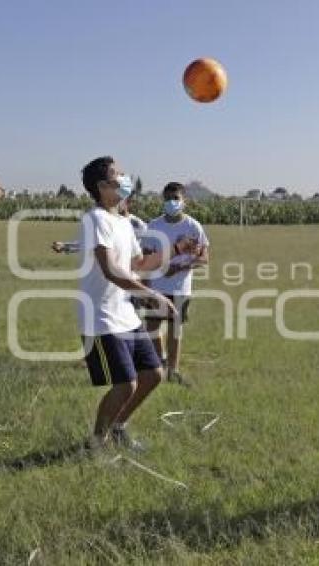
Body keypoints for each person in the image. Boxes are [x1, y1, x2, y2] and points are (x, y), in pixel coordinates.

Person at [77, 156, 186, 453]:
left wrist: (175, 249)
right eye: (118, 174)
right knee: (126, 384)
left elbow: (138, 263)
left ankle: (118, 426)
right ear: (102, 185)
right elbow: (111, 269)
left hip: (125, 315)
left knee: (153, 375)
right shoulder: (96, 219)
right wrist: (153, 296)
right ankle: (96, 443)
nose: (125, 178)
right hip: (102, 318)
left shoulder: (123, 221)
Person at [142, 182, 210, 386]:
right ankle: (160, 364)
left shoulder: (193, 227)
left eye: (176, 198)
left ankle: (174, 370)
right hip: (156, 287)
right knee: (153, 327)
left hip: (181, 288)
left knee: (175, 329)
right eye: (168, 198)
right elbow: (145, 258)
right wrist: (157, 273)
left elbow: (204, 258)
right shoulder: (153, 226)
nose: (172, 202)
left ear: (184, 201)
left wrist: (179, 268)